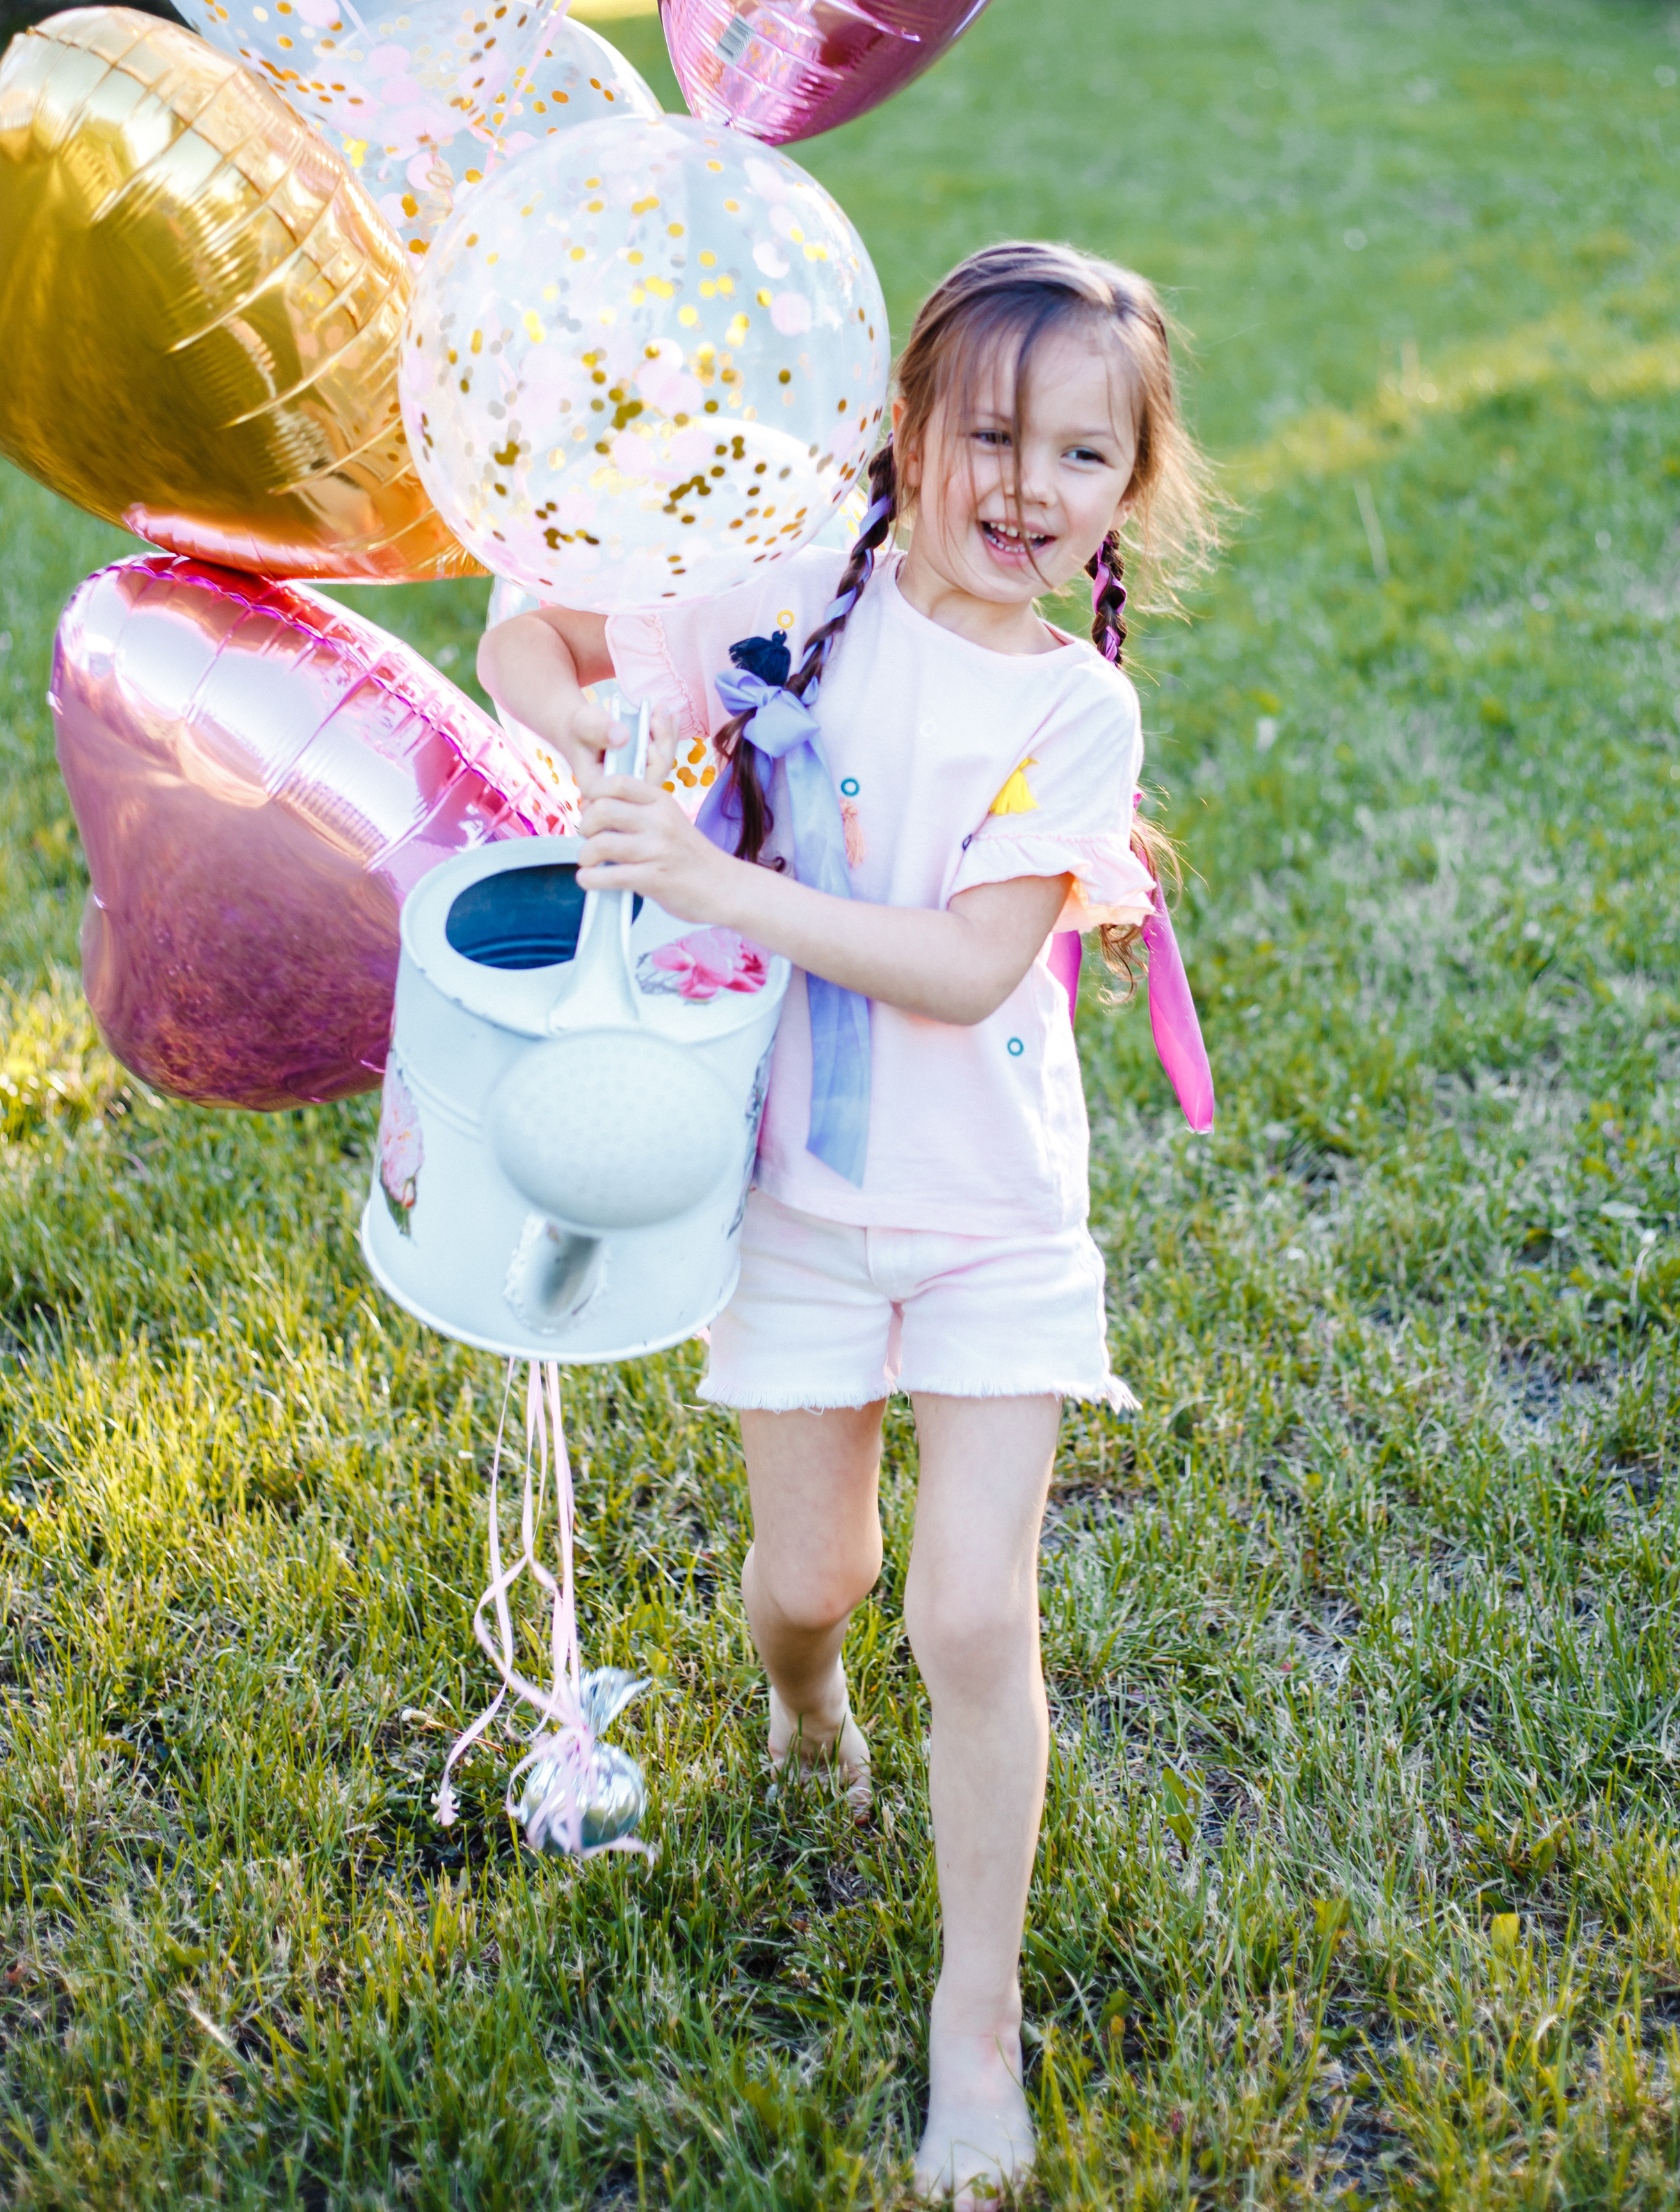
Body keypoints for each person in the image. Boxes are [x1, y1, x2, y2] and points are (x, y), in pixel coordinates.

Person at [478, 241, 1220, 2203]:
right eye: (988, 431)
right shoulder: (795, 583)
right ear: (904, 426)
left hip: (989, 1221)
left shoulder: (1077, 717)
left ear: (1128, 486)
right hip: (799, 1203)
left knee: (969, 1611)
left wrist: (713, 894)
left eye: (1081, 452)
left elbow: (968, 973)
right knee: (812, 1582)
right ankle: (802, 1701)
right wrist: (600, 752)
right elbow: (527, 635)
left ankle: (973, 2022)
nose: (1025, 484)